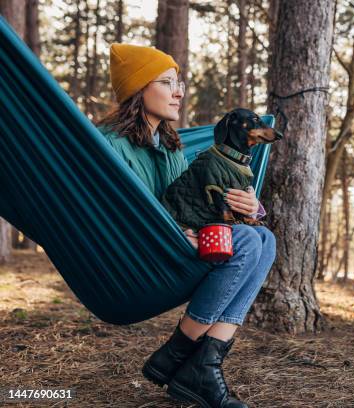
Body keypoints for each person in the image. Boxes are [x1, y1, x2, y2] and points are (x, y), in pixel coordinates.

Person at [97, 43, 275, 408]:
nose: (179, 92)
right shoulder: (108, 147)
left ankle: (203, 364)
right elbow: (114, 217)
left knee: (263, 237)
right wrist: (174, 231)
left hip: (182, 249)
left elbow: (196, 205)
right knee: (244, 242)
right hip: (143, 261)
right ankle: (178, 357)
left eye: (179, 83)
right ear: (138, 89)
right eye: (166, 82)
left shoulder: (172, 145)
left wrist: (251, 208)